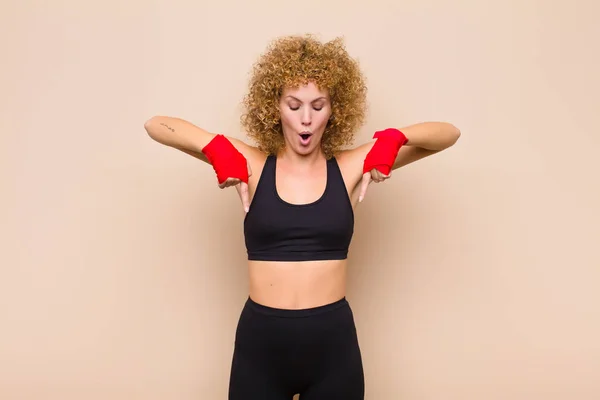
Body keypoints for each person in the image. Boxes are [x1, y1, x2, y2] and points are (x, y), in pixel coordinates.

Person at [144, 34, 460, 400]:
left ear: (334, 109)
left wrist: (395, 138)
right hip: (260, 349)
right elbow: (157, 125)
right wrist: (216, 148)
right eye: (293, 105)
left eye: (318, 105)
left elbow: (448, 135)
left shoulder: (350, 166)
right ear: (274, 107)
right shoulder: (253, 165)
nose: (306, 119)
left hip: (332, 350)